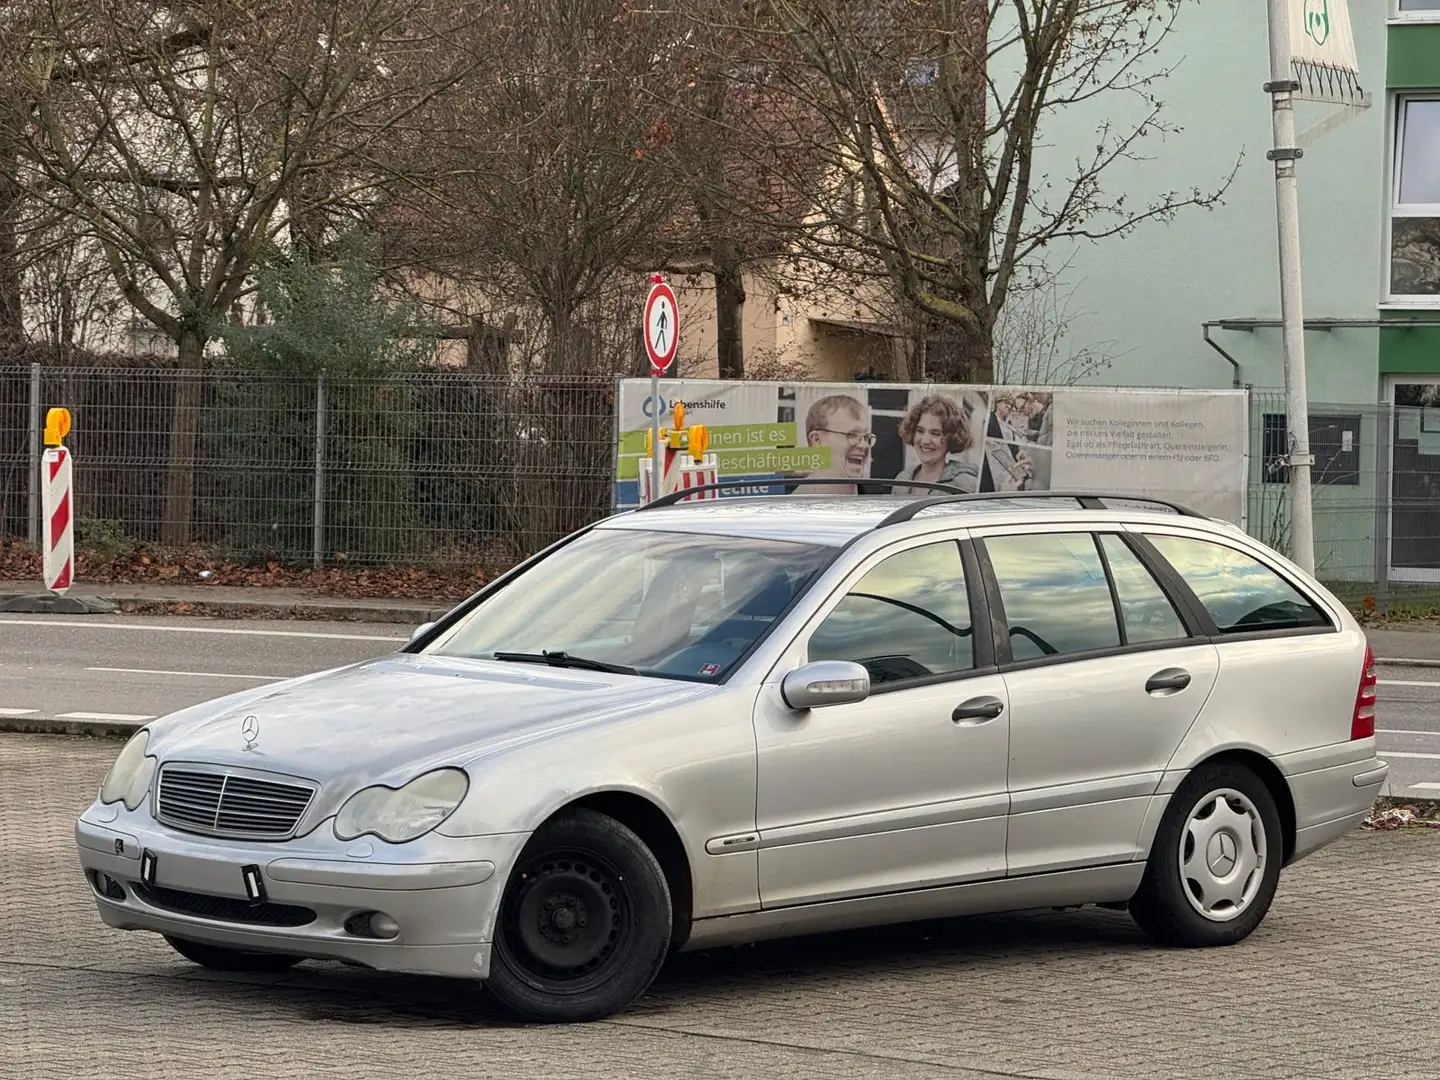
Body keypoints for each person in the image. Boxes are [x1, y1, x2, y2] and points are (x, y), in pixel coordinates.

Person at [892, 393, 979, 495]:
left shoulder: (965, 484)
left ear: (951, 438)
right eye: (920, 431)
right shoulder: (901, 481)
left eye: (935, 433)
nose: (925, 441)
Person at [790, 393, 874, 495]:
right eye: (852, 435)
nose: (864, 445)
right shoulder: (793, 507)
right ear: (817, 440)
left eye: (866, 437)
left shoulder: (876, 500)